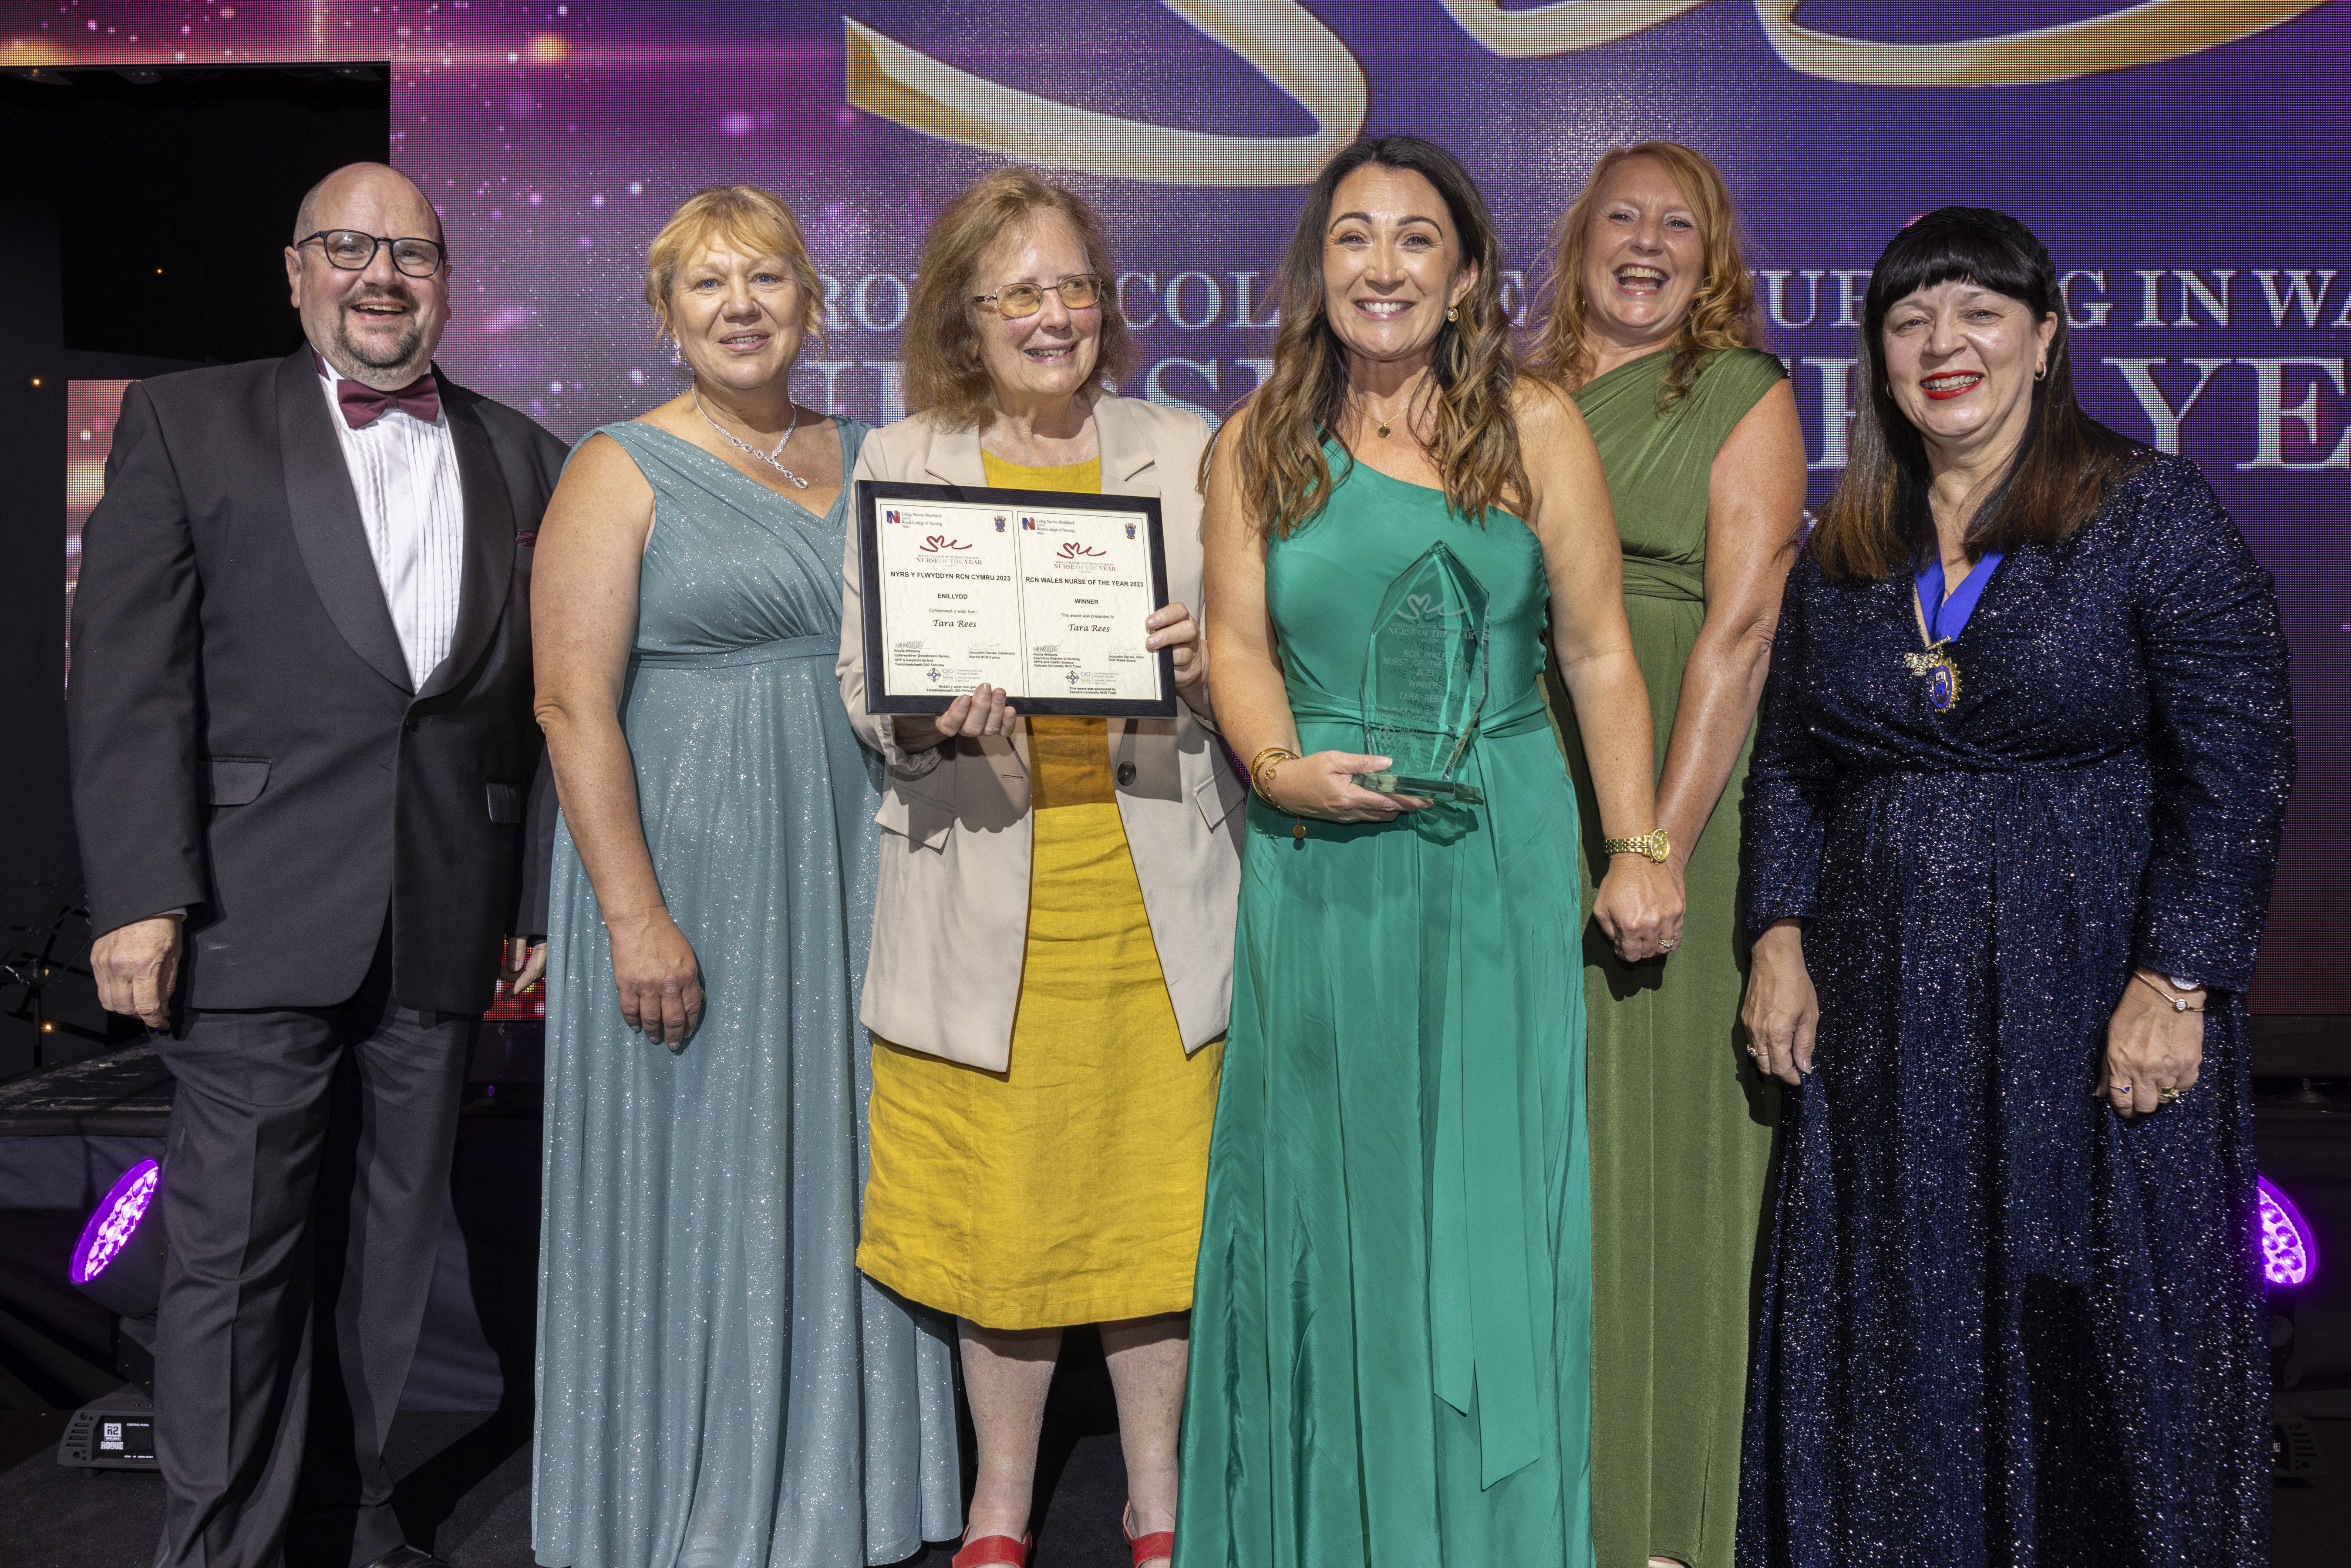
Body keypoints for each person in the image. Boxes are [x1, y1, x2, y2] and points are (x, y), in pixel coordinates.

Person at [1737, 207, 2294, 1568]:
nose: (1945, 344)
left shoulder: (2146, 512)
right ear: (1877, 355)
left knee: (2095, 1322)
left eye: (1979, 312)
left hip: (2092, 996)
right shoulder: (1850, 544)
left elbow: (2241, 759)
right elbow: (1794, 762)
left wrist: (2178, 980)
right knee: (1898, 1322)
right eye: (1912, 318)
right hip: (1883, 1023)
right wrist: (1777, 928)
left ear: (2045, 339)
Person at [1176, 134, 1682, 1567]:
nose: (1381, 267)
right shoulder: (1258, 434)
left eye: (1414, 240)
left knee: (1485, 1196)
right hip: (1321, 857)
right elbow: (1235, 643)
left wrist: (1638, 842)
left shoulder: (1535, 426)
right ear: (1315, 266)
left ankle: (1487, 1533)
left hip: (1497, 850)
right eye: (1352, 238)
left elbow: (1595, 656)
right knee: (1332, 1200)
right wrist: (1284, 772)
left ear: (1465, 273)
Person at [69, 162, 563, 1568]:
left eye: (410, 251)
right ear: (296, 272)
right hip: (243, 911)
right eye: (350, 247)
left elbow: (535, 711)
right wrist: (142, 894)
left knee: (389, 1256)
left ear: (447, 282)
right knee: (233, 1261)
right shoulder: (186, 419)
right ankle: (219, 1544)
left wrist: (524, 900)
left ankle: (350, 1522)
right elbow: (129, 678)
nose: (381, 275)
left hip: (444, 919)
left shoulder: (527, 454)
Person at [531, 185, 962, 1568]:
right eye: (708, 285)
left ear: (812, 303)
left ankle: (849, 1489)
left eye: (767, 279)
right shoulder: (617, 464)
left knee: (842, 1156)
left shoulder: (873, 453)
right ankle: (679, 1500)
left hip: (851, 854)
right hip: (685, 867)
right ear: (666, 314)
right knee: (701, 1168)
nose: (740, 307)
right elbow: (569, 708)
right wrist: (633, 913)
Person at [835, 166, 1241, 1568]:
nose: (1054, 314)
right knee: (999, 1213)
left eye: (1073, 285)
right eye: (1020, 291)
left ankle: (1155, 1498)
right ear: (965, 313)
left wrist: (1205, 666)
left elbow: (1254, 670)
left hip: (1152, 893)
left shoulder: (1189, 448)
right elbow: (860, 685)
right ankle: (998, 1507)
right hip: (979, 880)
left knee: (1151, 1206)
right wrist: (919, 704)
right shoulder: (899, 457)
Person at [1523, 142, 1805, 1568]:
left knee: (1665, 1155)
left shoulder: (1740, 395)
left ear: (1714, 259)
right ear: (1577, 241)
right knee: (1543, 1153)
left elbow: (1741, 631)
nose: (1646, 243)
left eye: (1677, 225)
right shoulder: (1508, 396)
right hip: (1519, 795)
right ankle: (1544, 1501)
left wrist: (1658, 844)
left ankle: (1669, 1511)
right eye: (1620, 217)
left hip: (1667, 803)